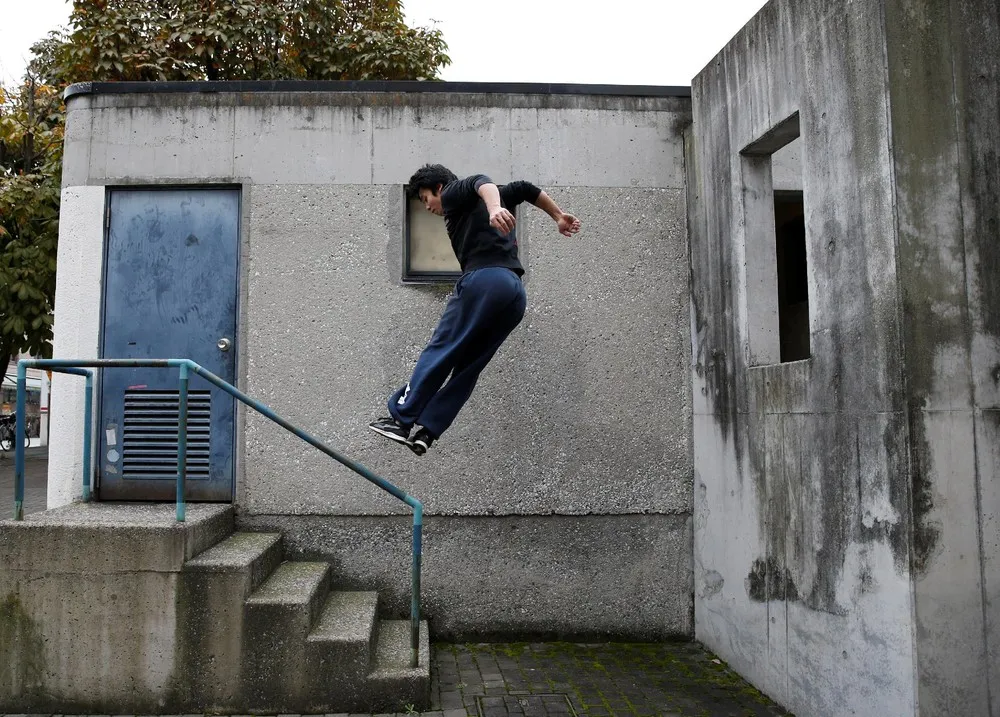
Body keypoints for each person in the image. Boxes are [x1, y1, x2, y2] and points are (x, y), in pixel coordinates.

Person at [369, 164, 582, 455]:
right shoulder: (485, 198)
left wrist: (494, 208)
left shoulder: (454, 193)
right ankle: (429, 430)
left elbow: (482, 181)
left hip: (484, 281)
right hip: (513, 294)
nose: (427, 206)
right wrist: (557, 215)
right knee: (469, 366)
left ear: (439, 188)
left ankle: (401, 420)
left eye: (425, 197)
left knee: (442, 348)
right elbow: (525, 188)